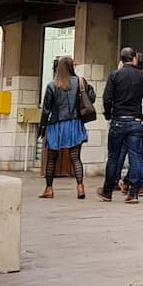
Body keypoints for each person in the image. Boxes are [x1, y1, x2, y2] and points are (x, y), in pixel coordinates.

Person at [100, 46, 143, 203]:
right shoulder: (142, 77)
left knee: (113, 157)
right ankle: (133, 192)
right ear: (134, 59)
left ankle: (107, 190)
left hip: (118, 119)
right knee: (135, 156)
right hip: (135, 120)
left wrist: (109, 115)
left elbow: (107, 98)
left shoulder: (115, 75)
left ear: (122, 60)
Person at [37, 56, 95, 198]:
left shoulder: (52, 85)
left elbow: (46, 109)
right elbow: (91, 98)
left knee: (51, 159)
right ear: (71, 67)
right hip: (74, 123)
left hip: (56, 124)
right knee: (75, 157)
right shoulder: (79, 82)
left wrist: (42, 127)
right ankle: (80, 187)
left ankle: (49, 189)